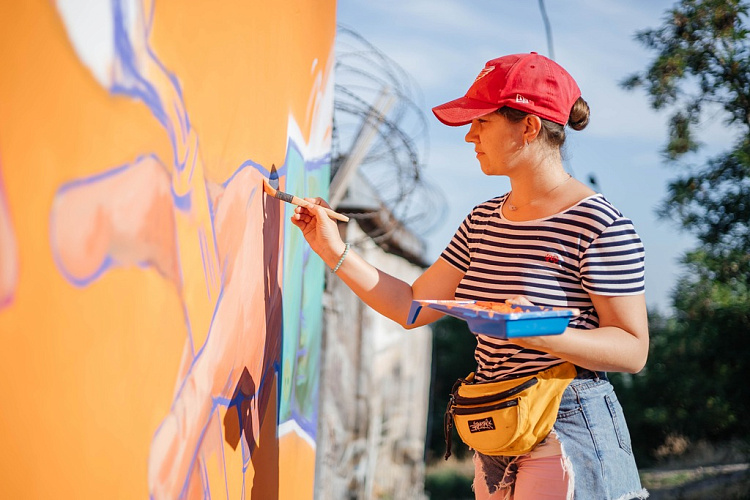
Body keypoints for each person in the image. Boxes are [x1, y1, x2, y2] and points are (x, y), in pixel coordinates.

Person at [291, 52, 649, 500]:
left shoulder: (599, 223)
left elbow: (633, 349)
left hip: (568, 424)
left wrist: (536, 335)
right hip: (495, 421)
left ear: (529, 126)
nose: (469, 135)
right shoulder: (482, 220)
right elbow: (411, 305)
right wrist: (332, 248)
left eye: (482, 121)